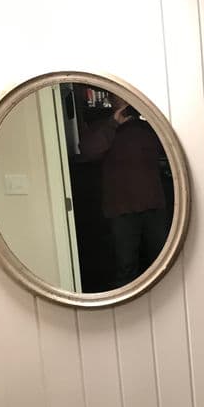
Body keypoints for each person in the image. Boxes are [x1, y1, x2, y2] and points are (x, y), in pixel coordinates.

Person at [79, 95, 170, 286]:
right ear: (111, 100)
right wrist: (113, 123)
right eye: (117, 98)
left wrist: (149, 116)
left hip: (154, 205)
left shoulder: (148, 126)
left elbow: (171, 148)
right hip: (120, 209)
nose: (123, 103)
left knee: (164, 262)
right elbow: (88, 151)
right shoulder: (102, 126)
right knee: (125, 267)